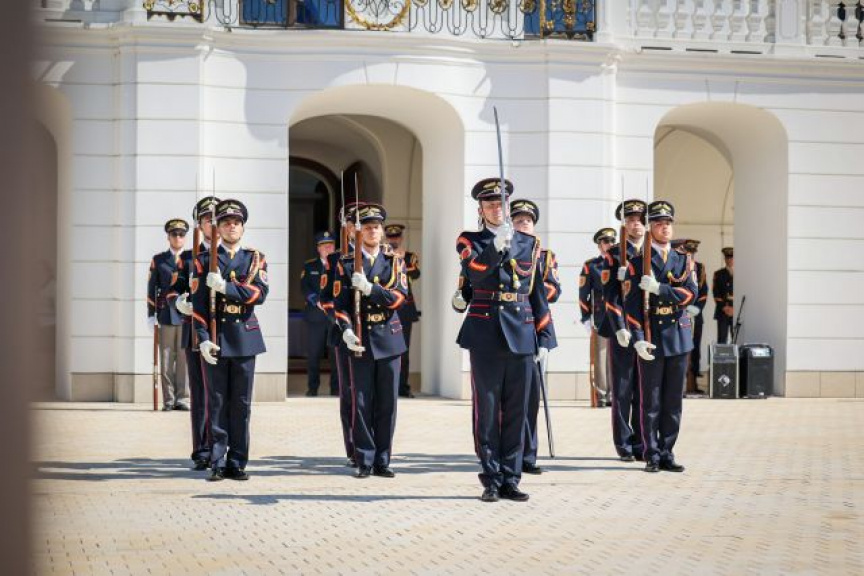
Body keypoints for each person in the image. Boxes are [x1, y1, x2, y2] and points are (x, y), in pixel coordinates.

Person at [456, 178, 555, 503]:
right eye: (490, 204)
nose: (496, 209)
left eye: (501, 203)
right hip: (485, 332)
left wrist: (545, 336)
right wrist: (495, 246)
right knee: (487, 412)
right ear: (481, 209)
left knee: (517, 411)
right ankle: (491, 478)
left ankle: (511, 478)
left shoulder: (529, 243)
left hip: (522, 332)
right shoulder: (470, 240)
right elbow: (474, 273)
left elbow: (537, 293)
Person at [192, 199, 269, 482]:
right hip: (217, 338)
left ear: (243, 227)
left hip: (245, 338)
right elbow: (199, 306)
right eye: (226, 223)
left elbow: (259, 294)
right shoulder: (203, 260)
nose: (231, 227)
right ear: (218, 229)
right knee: (217, 403)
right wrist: (202, 339)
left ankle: (237, 462)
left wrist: (226, 287)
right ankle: (217, 461)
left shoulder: (255, 258)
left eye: (236, 223)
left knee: (241, 404)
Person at [329, 203, 408, 479]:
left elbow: (398, 298)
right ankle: (364, 459)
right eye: (367, 227)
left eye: (377, 227)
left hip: (389, 338)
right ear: (357, 233)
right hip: (360, 339)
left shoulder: (395, 261)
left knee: (387, 403)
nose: (373, 231)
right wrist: (346, 330)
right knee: (361, 402)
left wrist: (370, 289)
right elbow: (339, 304)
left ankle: (383, 460)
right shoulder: (346, 263)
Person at [624, 200, 698, 473]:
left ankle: (667, 451)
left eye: (668, 223)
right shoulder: (637, 261)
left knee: (673, 401)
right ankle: (652, 454)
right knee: (651, 402)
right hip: (652, 333)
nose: (664, 228)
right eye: (658, 224)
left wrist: (660, 289)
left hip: (678, 334)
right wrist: (638, 338)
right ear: (650, 228)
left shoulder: (684, 259)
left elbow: (690, 294)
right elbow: (631, 305)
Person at [508, 198, 560, 476]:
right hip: (509, 325)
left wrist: (531, 285)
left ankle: (528, 455)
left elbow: (553, 290)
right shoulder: (506, 250)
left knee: (530, 399)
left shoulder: (545, 256)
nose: (523, 224)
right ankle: (511, 453)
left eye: (527, 221)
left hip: (535, 326)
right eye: (518, 221)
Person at [168, 196, 219, 470]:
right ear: (199, 224)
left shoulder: (235, 254)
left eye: (216, 219)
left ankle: (222, 447)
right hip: (197, 333)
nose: (212, 224)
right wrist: (179, 303)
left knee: (223, 395)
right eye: (207, 220)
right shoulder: (188, 258)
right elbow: (172, 290)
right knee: (200, 394)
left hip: (226, 333)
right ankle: (202, 449)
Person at [319, 202, 363, 467]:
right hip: (344, 332)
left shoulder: (386, 255)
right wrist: (342, 323)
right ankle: (353, 448)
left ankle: (374, 449)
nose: (356, 227)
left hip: (376, 333)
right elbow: (325, 299)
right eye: (351, 222)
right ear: (345, 227)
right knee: (349, 392)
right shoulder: (335, 260)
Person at [602, 200, 646, 462]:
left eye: (640, 219)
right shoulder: (615, 253)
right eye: (630, 220)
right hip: (623, 329)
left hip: (647, 329)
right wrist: (619, 326)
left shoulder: (653, 250)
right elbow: (610, 295)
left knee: (645, 389)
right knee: (623, 388)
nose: (636, 224)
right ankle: (624, 444)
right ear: (624, 224)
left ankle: (642, 442)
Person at [147, 218, 191, 412]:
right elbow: (152, 289)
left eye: (181, 234)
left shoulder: (191, 259)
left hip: (186, 315)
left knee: (184, 360)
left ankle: (183, 398)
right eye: (174, 234)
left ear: (185, 237)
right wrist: (151, 315)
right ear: (168, 237)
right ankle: (168, 400)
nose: (178, 237)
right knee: (165, 360)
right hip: (166, 314)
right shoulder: (159, 260)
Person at [579, 227, 617, 407]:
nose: (609, 244)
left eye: (612, 241)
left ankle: (615, 394)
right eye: (606, 241)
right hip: (601, 317)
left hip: (620, 316)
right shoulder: (591, 265)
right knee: (601, 357)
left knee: (617, 356)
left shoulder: (621, 262)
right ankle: (602, 395)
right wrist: (586, 317)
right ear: (599, 245)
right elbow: (583, 294)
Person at [384, 224, 421, 398]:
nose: (393, 240)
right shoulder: (381, 256)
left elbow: (416, 274)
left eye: (396, 237)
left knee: (404, 350)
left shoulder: (409, 257)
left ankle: (402, 387)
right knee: (386, 349)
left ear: (401, 238)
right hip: (386, 306)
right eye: (390, 238)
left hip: (405, 308)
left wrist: (399, 261)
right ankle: (386, 388)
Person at [301, 231, 338, 397]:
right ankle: (312, 388)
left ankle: (336, 388)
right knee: (314, 354)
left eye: (330, 245)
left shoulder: (340, 264)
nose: (327, 248)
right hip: (315, 315)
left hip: (335, 316)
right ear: (318, 248)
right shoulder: (310, 266)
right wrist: (316, 301)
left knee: (335, 354)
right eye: (324, 246)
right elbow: (305, 287)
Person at [673, 238, 707, 393]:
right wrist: (684, 307)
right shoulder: (678, 265)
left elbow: (703, 291)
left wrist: (697, 308)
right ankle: (681, 385)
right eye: (688, 252)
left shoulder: (699, 268)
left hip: (695, 314)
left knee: (695, 349)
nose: (691, 255)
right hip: (680, 313)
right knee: (680, 348)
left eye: (693, 252)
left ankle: (694, 383)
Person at [713, 247, 734, 344]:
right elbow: (716, 292)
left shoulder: (742, 274)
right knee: (722, 340)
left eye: (731, 258)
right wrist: (725, 307)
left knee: (737, 339)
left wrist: (734, 309)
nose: (729, 260)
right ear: (725, 259)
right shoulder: (718, 274)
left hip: (737, 312)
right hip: (722, 311)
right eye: (727, 258)